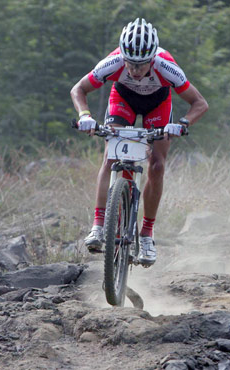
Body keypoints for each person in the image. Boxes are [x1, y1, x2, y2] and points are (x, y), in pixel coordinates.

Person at [70, 18, 208, 266]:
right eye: (129, 63)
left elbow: (200, 104)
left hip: (158, 103)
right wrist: (85, 116)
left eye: (141, 65)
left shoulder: (166, 66)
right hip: (123, 100)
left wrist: (183, 123)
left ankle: (146, 234)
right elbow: (78, 89)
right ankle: (99, 226)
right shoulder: (113, 62)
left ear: (152, 59)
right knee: (111, 157)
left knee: (157, 166)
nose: (134, 70)